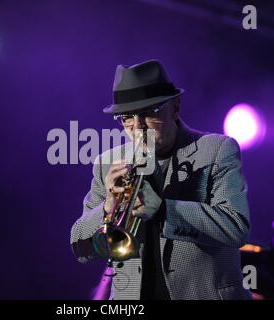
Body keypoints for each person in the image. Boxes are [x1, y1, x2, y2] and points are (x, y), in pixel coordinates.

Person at [70, 59, 252, 300]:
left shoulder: (217, 149)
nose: (138, 127)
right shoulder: (108, 163)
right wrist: (108, 208)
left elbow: (236, 228)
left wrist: (164, 211)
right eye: (127, 118)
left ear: (175, 108)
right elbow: (80, 248)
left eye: (148, 113)